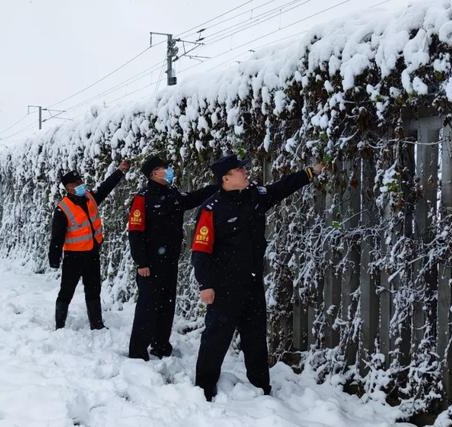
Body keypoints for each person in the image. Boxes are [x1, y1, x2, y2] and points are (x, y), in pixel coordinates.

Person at [191, 154, 324, 401]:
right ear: (226, 178)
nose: (245, 172)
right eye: (240, 170)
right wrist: (206, 285)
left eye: (244, 168)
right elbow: (200, 250)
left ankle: (261, 389)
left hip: (252, 284)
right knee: (216, 339)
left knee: (255, 338)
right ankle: (204, 390)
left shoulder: (255, 196)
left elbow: (281, 188)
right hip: (223, 287)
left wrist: (309, 173)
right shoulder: (211, 209)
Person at [127, 155, 219, 360]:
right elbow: (135, 232)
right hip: (149, 264)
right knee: (147, 306)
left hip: (169, 261)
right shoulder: (142, 198)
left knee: (166, 305)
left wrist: (216, 187)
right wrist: (141, 262)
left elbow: (191, 199)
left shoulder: (172, 193)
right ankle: (137, 351)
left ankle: (161, 345)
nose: (168, 170)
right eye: (164, 168)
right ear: (154, 173)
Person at [49, 160, 130, 330]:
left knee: (93, 290)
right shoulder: (62, 209)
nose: (81, 185)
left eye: (81, 182)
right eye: (76, 184)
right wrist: (54, 259)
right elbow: (57, 237)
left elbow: (106, 187)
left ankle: (97, 324)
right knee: (66, 291)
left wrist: (120, 172)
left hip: (92, 253)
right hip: (73, 257)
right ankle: (59, 326)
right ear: (68, 188)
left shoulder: (90, 198)